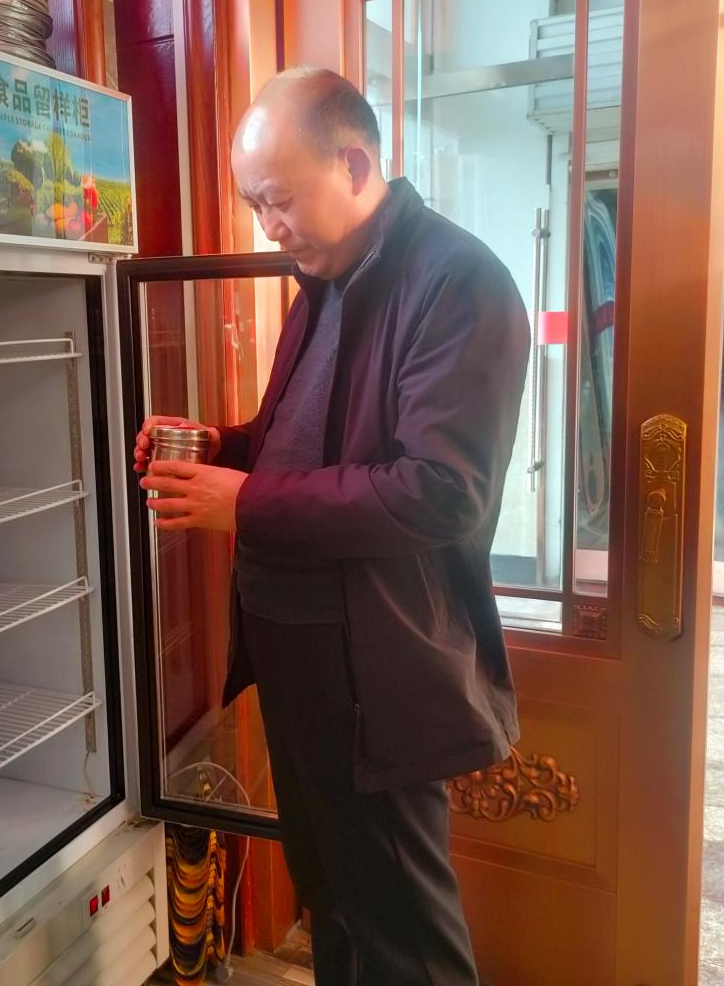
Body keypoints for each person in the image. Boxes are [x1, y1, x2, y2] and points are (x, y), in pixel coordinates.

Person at [135, 68, 530, 985]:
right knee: (336, 905)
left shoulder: (458, 280)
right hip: (295, 652)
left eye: (276, 200)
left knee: (405, 936)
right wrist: (222, 446)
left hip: (374, 669)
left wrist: (243, 502)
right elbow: (304, 446)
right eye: (254, 205)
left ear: (353, 165)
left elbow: (441, 490)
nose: (266, 226)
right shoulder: (322, 280)